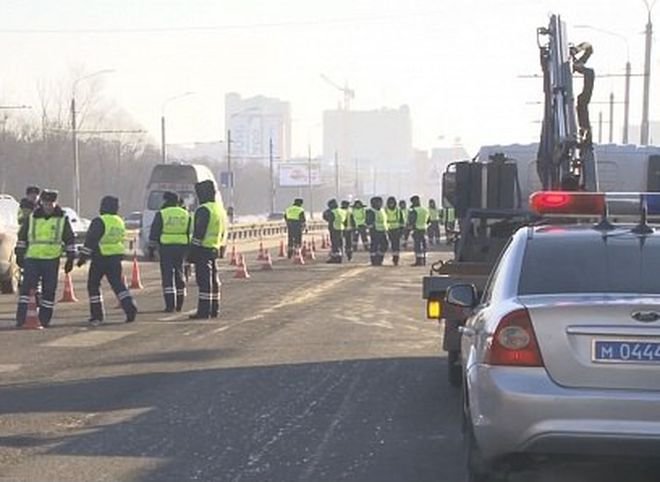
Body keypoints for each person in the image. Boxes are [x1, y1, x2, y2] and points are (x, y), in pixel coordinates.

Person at [14, 190, 76, 328]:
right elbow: (22, 236)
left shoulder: (62, 218)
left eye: (51, 204)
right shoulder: (32, 217)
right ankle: (22, 318)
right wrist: (19, 253)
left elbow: (69, 239)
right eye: (46, 203)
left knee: (49, 290)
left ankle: (44, 319)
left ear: (55, 203)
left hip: (51, 259)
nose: (48, 206)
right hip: (32, 258)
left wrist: (71, 258)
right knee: (27, 290)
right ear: (41, 203)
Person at [77, 196, 137, 326]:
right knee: (117, 284)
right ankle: (129, 306)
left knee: (93, 285)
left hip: (100, 257)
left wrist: (83, 258)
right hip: (115, 257)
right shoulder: (119, 221)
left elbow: (91, 240)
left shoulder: (99, 221)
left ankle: (97, 315)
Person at [189, 180, 227, 319]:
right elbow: (224, 231)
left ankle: (204, 311)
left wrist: (192, 251)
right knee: (214, 280)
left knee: (204, 281)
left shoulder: (204, 209)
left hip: (203, 249)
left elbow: (199, 232)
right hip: (214, 248)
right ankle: (214, 308)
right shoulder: (219, 209)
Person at [148, 191, 191, 312]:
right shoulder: (186, 214)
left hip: (166, 247)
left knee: (167, 275)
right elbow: (190, 232)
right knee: (180, 273)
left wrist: (151, 249)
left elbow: (154, 232)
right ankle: (180, 302)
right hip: (182, 247)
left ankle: (170, 305)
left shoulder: (162, 213)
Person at [365, 196, 387, 266]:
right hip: (375, 231)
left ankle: (380, 259)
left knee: (384, 245)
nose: (379, 204)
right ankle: (374, 260)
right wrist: (371, 225)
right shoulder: (370, 211)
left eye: (380, 202)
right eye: (377, 202)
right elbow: (368, 221)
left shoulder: (382, 210)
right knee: (374, 245)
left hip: (382, 230)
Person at [409, 195, 430, 266]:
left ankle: (418, 261)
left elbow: (412, 221)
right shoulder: (425, 210)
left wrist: (410, 229)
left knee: (417, 246)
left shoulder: (414, 210)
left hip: (417, 229)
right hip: (424, 228)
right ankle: (424, 260)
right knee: (424, 245)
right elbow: (428, 220)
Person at [322, 199, 344, 263]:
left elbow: (328, 218)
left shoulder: (332, 212)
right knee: (340, 243)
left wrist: (327, 214)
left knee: (335, 243)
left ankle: (335, 258)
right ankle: (340, 256)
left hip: (334, 228)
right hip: (340, 228)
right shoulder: (341, 210)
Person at [384, 196, 403, 266]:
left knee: (396, 245)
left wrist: (401, 230)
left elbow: (401, 221)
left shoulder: (398, 210)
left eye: (392, 203)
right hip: (387, 229)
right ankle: (380, 258)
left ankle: (396, 259)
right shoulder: (385, 210)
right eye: (390, 203)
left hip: (396, 229)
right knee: (385, 244)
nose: (391, 204)